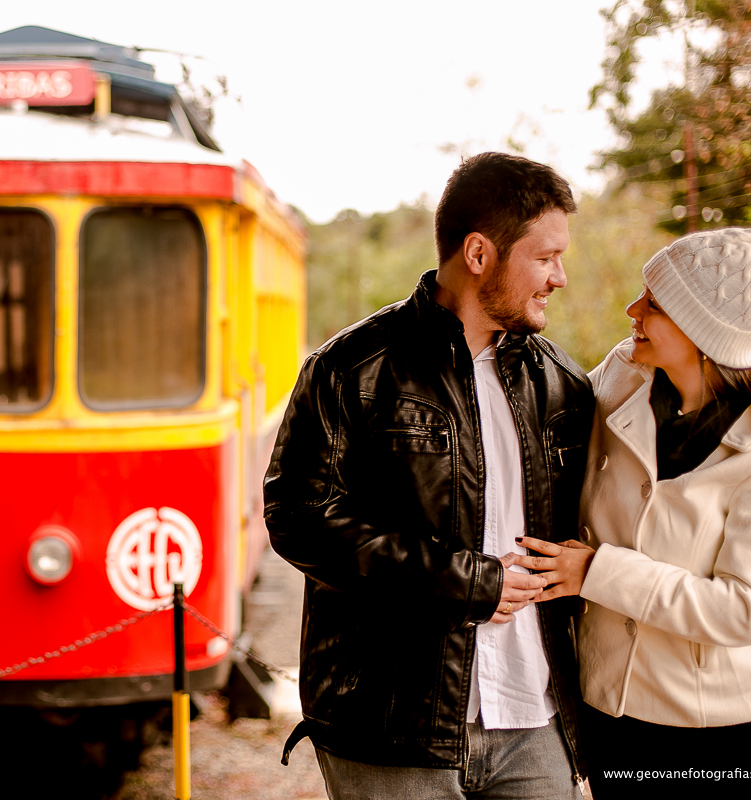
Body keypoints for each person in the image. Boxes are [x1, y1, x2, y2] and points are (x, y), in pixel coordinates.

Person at [264, 152, 594, 799]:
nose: (560, 278)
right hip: (390, 726)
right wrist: (459, 582)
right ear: (479, 254)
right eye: (546, 257)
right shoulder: (350, 368)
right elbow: (298, 518)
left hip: (536, 721)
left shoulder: (564, 385)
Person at [517, 227, 751, 800]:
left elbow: (744, 611)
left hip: (736, 728)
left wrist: (596, 573)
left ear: (702, 333)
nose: (632, 311)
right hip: (617, 712)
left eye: (653, 303)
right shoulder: (621, 377)